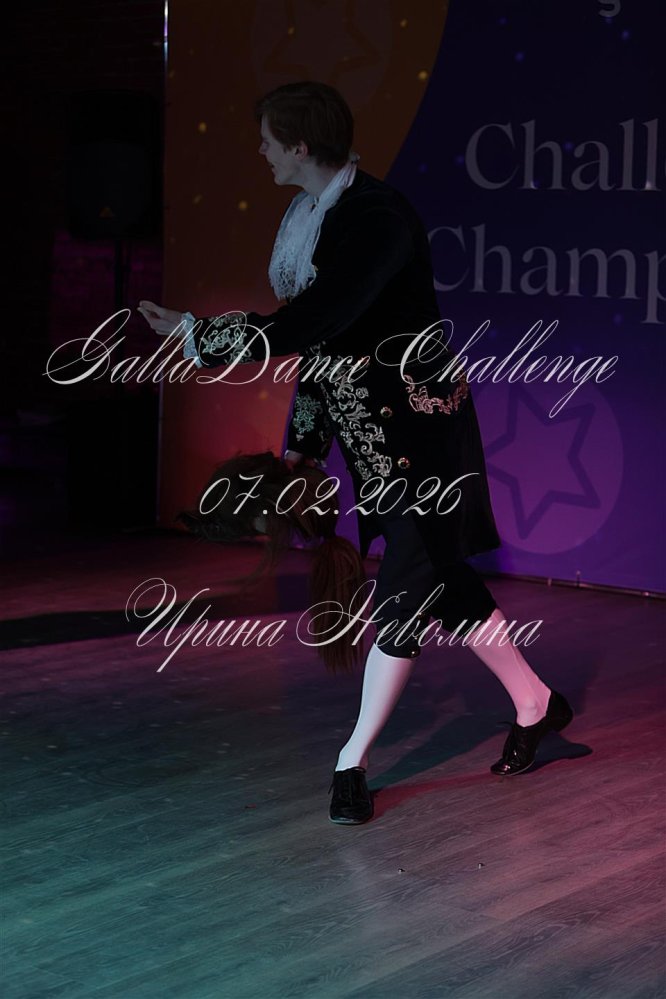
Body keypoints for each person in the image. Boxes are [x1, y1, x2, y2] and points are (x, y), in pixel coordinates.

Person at [139, 81, 573, 825]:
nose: (261, 151)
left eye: (269, 140)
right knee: (440, 576)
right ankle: (536, 702)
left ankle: (352, 762)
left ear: (300, 145)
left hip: (420, 435)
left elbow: (316, 318)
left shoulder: (377, 218)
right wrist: (304, 446)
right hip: (368, 432)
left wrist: (198, 335)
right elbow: (321, 345)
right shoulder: (311, 214)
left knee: (403, 594)